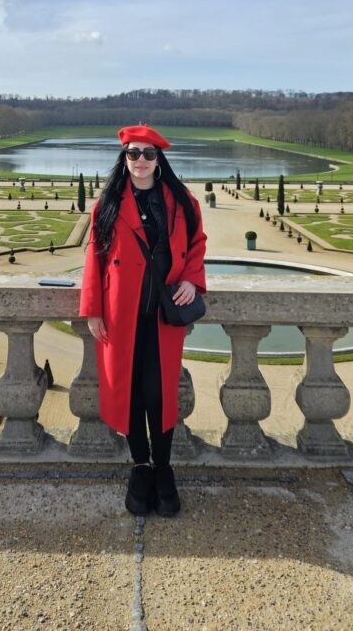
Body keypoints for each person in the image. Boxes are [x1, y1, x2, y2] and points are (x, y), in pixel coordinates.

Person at [79, 125, 207, 517]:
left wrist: (190, 278)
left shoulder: (182, 201)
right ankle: (140, 467)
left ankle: (163, 468)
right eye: (133, 154)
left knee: (159, 393)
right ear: (124, 158)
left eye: (148, 154)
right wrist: (94, 309)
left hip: (162, 317)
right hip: (122, 314)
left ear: (159, 159)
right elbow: (94, 257)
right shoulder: (109, 204)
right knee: (130, 393)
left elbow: (197, 244)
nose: (140, 161)